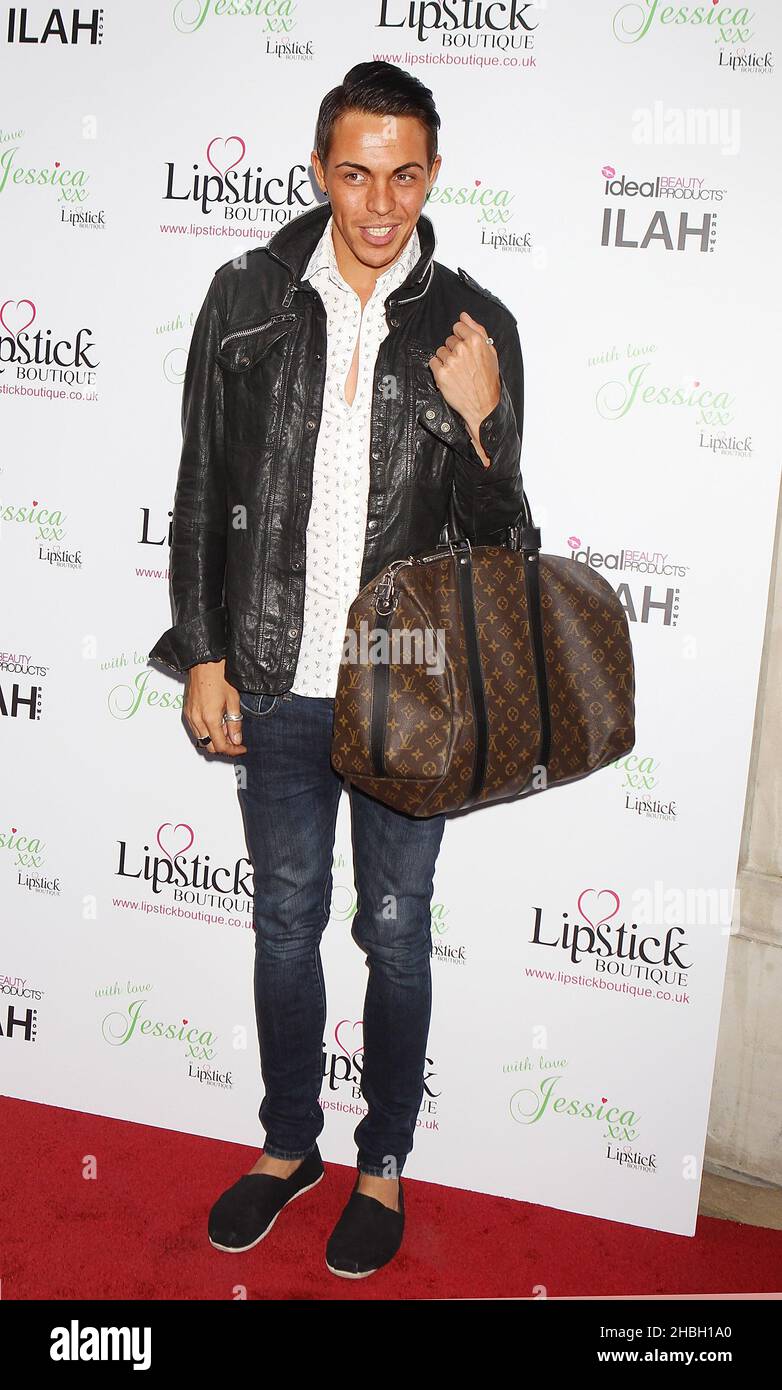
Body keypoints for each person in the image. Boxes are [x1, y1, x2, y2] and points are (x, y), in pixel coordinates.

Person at [149, 60, 525, 1279]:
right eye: (354, 173)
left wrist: (480, 426)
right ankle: (285, 1145)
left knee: (397, 933)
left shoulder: (474, 327)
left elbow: (504, 551)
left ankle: (383, 1162)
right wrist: (203, 652)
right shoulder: (247, 296)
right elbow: (201, 485)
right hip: (271, 675)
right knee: (283, 925)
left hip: (407, 695)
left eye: (402, 174)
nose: (377, 203)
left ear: (431, 174)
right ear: (318, 169)